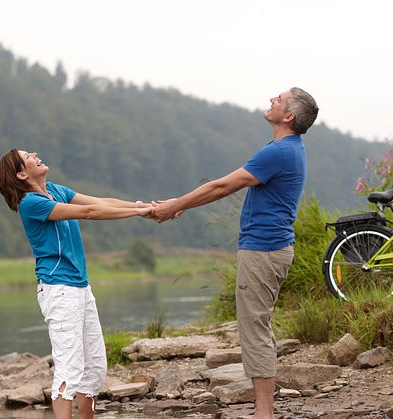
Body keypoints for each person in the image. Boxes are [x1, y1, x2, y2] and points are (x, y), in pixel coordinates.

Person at [152, 87, 318, 419]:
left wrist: (175, 205)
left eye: (279, 99)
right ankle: (264, 409)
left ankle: (263, 412)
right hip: (269, 248)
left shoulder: (280, 152)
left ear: (288, 116)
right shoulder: (284, 148)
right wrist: (184, 204)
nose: (272, 98)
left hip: (264, 250)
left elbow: (223, 186)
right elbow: (222, 186)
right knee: (259, 324)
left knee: (253, 327)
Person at [0, 149, 153, 419]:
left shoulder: (55, 190)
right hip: (58, 288)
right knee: (69, 369)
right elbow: (90, 212)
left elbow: (101, 201)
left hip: (80, 287)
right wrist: (143, 212)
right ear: (21, 174)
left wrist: (142, 207)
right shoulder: (30, 203)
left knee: (94, 368)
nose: (35, 153)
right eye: (27, 155)